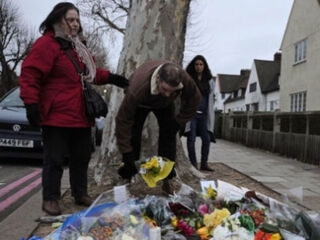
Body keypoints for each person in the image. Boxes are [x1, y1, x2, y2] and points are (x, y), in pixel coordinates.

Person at [19, 2, 128, 216]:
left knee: (81, 157)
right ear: (57, 20)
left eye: (77, 20)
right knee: (55, 159)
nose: (75, 24)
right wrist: (30, 104)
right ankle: (51, 199)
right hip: (56, 115)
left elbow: (91, 74)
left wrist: (113, 78)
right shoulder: (46, 44)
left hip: (81, 115)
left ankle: (80, 193)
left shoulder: (78, 47)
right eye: (70, 19)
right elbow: (30, 74)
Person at [115, 60, 201, 192]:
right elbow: (122, 121)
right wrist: (126, 152)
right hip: (141, 103)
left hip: (165, 105)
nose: (167, 93)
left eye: (172, 91)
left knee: (169, 135)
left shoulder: (183, 78)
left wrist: (179, 121)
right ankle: (127, 177)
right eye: (165, 89)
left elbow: (195, 98)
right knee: (133, 137)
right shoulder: (137, 89)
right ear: (158, 79)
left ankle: (168, 177)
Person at [185, 55, 215, 171]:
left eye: (201, 64)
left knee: (206, 139)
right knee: (191, 139)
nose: (198, 67)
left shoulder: (209, 80)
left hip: (204, 115)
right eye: (196, 64)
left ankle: (204, 163)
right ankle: (193, 164)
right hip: (192, 114)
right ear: (194, 66)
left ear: (204, 66)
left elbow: (211, 98)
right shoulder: (189, 78)